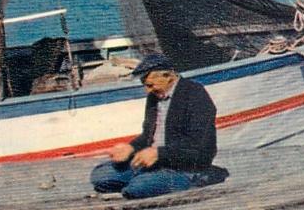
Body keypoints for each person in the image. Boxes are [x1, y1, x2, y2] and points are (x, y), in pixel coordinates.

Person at [89, 54, 223, 199]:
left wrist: (160, 153)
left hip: (183, 166)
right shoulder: (155, 97)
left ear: (168, 76)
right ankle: (147, 179)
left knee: (137, 187)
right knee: (100, 175)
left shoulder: (195, 94)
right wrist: (131, 148)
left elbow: (199, 146)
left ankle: (191, 179)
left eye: (150, 85)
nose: (147, 91)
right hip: (154, 162)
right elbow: (148, 136)